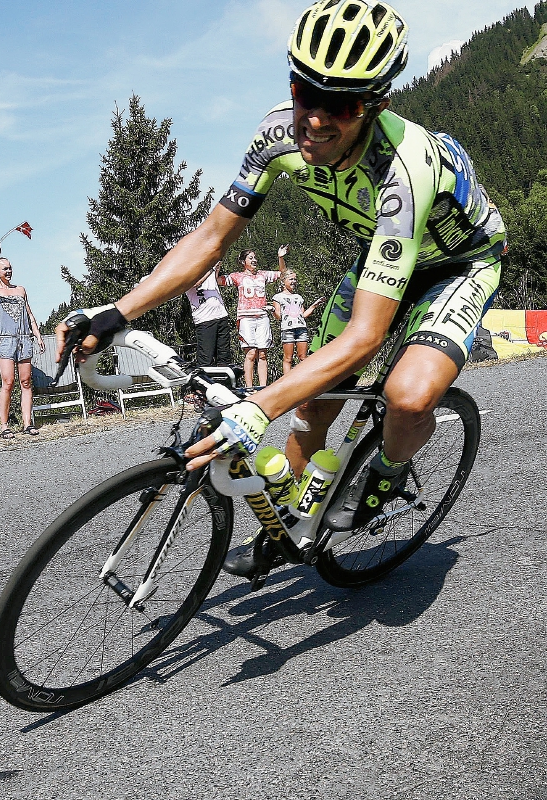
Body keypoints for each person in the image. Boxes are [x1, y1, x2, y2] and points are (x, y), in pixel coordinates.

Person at [57, 0, 505, 579]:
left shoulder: (403, 168)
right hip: (385, 256)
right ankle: (289, 523)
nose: (315, 119)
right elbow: (212, 239)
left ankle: (388, 474)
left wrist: (257, 407)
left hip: (457, 264)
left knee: (410, 395)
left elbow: (367, 336)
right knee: (315, 397)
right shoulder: (276, 132)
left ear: (375, 106)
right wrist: (116, 312)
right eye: (304, 93)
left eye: (340, 105)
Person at [0, 243, 46, 440]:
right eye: (5, 268)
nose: (9, 271)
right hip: (5, 340)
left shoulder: (20, 290)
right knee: (8, 381)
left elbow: (28, 313)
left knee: (26, 381)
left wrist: (36, 334)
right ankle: (4, 426)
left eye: (10, 268)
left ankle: (28, 424)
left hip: (24, 339)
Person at [222, 248, 281, 387]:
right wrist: (215, 266)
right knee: (250, 353)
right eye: (250, 258)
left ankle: (263, 386)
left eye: (255, 257)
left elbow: (282, 274)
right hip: (246, 318)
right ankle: (249, 387)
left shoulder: (263, 275)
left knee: (263, 354)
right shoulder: (237, 276)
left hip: (262, 317)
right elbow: (219, 281)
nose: (254, 260)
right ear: (243, 262)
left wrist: (280, 258)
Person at [271, 269, 325, 375]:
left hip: (301, 328)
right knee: (288, 358)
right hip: (287, 329)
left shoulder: (298, 297)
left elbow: (303, 315)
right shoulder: (278, 297)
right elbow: (278, 316)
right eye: (291, 279)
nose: (294, 281)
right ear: (283, 281)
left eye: (295, 279)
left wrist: (314, 305)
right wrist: (272, 310)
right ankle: (286, 382)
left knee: (303, 357)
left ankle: (304, 379)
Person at [185, 261, 234, 370]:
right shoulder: (187, 273)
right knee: (206, 358)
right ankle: (203, 384)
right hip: (205, 320)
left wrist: (216, 269)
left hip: (220, 315)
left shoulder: (208, 269)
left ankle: (224, 384)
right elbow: (195, 283)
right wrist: (211, 269)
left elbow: (214, 282)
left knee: (224, 356)